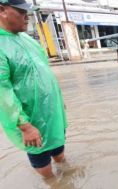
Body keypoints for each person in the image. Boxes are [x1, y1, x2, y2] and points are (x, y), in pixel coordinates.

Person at [0, 0, 67, 178]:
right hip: (30, 120)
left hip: (52, 115)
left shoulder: (27, 39)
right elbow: (2, 92)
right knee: (48, 173)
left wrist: (59, 103)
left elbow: (45, 72)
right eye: (21, 12)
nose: (27, 17)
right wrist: (25, 126)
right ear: (2, 10)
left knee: (61, 157)